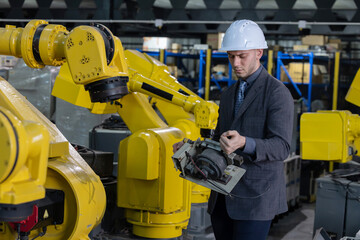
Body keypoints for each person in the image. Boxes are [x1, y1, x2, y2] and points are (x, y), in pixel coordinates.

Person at [174, 19, 294, 240]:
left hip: (255, 199)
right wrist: (191, 150)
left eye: (241, 56)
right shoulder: (229, 95)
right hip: (221, 196)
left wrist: (245, 143)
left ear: (259, 52)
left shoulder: (277, 93)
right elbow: (221, 140)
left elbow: (282, 147)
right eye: (231, 56)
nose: (235, 62)